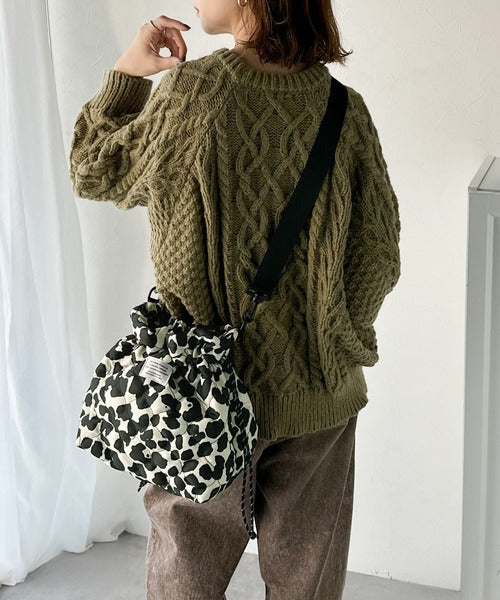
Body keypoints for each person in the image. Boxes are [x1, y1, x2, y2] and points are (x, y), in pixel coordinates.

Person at [69, 1, 401, 598]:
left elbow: (94, 169)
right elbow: (377, 252)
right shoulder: (345, 111)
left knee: (184, 582)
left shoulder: (195, 94)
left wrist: (128, 73)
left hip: (198, 401)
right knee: (307, 587)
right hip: (319, 401)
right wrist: (329, 348)